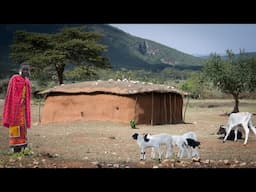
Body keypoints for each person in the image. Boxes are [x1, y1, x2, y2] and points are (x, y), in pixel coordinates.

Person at [2, 63, 31, 152]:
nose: (25, 71)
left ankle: (23, 144)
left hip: (23, 108)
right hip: (14, 108)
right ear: (20, 70)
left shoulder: (27, 81)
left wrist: (24, 101)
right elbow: (11, 93)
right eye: (24, 69)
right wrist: (18, 101)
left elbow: (27, 95)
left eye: (27, 70)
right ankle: (15, 146)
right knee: (14, 125)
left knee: (23, 126)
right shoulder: (14, 79)